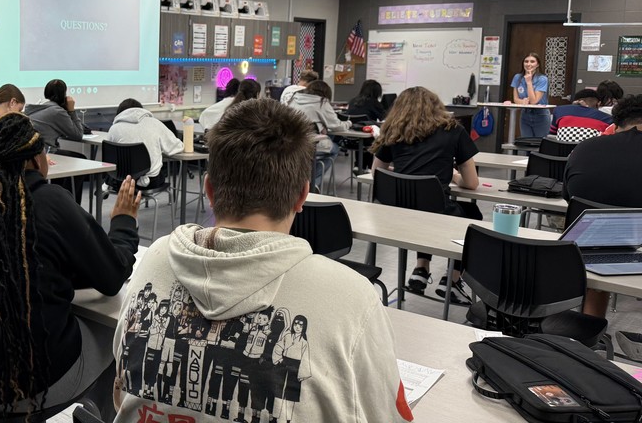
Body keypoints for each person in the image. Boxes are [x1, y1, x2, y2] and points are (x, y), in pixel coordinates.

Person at [113, 98, 413, 423]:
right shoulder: (353, 297)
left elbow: (120, 391)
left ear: (209, 191)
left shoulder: (155, 260)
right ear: (302, 196)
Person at [0, 113, 140, 416]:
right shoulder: (51, 202)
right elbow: (112, 277)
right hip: (21, 387)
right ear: (34, 159)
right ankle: (97, 416)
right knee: (114, 335)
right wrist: (123, 223)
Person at [370, 86, 480, 304]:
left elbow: (377, 174)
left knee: (422, 206)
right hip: (438, 216)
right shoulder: (453, 130)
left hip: (397, 218)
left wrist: (402, 177)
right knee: (473, 216)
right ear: (437, 107)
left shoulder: (392, 131)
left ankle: (421, 269)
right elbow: (472, 183)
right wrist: (455, 176)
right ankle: (454, 279)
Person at [563, 94, 642, 318]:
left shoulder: (584, 149)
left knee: (602, 239)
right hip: (633, 256)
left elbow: (568, 196)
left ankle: (590, 328)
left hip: (580, 252)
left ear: (615, 125)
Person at [284, 80, 351, 191]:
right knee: (334, 149)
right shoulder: (321, 102)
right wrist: (349, 123)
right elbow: (337, 126)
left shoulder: (293, 99)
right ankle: (314, 181)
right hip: (311, 144)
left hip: (289, 143)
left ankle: (302, 181)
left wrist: (319, 125)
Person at [107, 98, 184, 187]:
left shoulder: (114, 128)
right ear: (142, 111)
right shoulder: (155, 123)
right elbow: (177, 147)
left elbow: (110, 156)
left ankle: (106, 185)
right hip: (151, 182)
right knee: (161, 173)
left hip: (122, 181)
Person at [25, 79, 85, 148]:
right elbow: (78, 135)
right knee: (81, 157)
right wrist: (71, 110)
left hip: (32, 153)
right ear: (63, 95)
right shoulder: (57, 112)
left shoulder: (41, 107)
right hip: (45, 154)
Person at [509, 52, 550, 138]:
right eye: (526, 61)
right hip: (525, 114)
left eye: (532, 61)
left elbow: (534, 101)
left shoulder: (542, 79)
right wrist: (523, 101)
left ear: (537, 64)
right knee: (526, 143)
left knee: (539, 145)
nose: (528, 64)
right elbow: (515, 99)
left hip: (541, 115)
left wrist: (529, 82)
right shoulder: (517, 77)